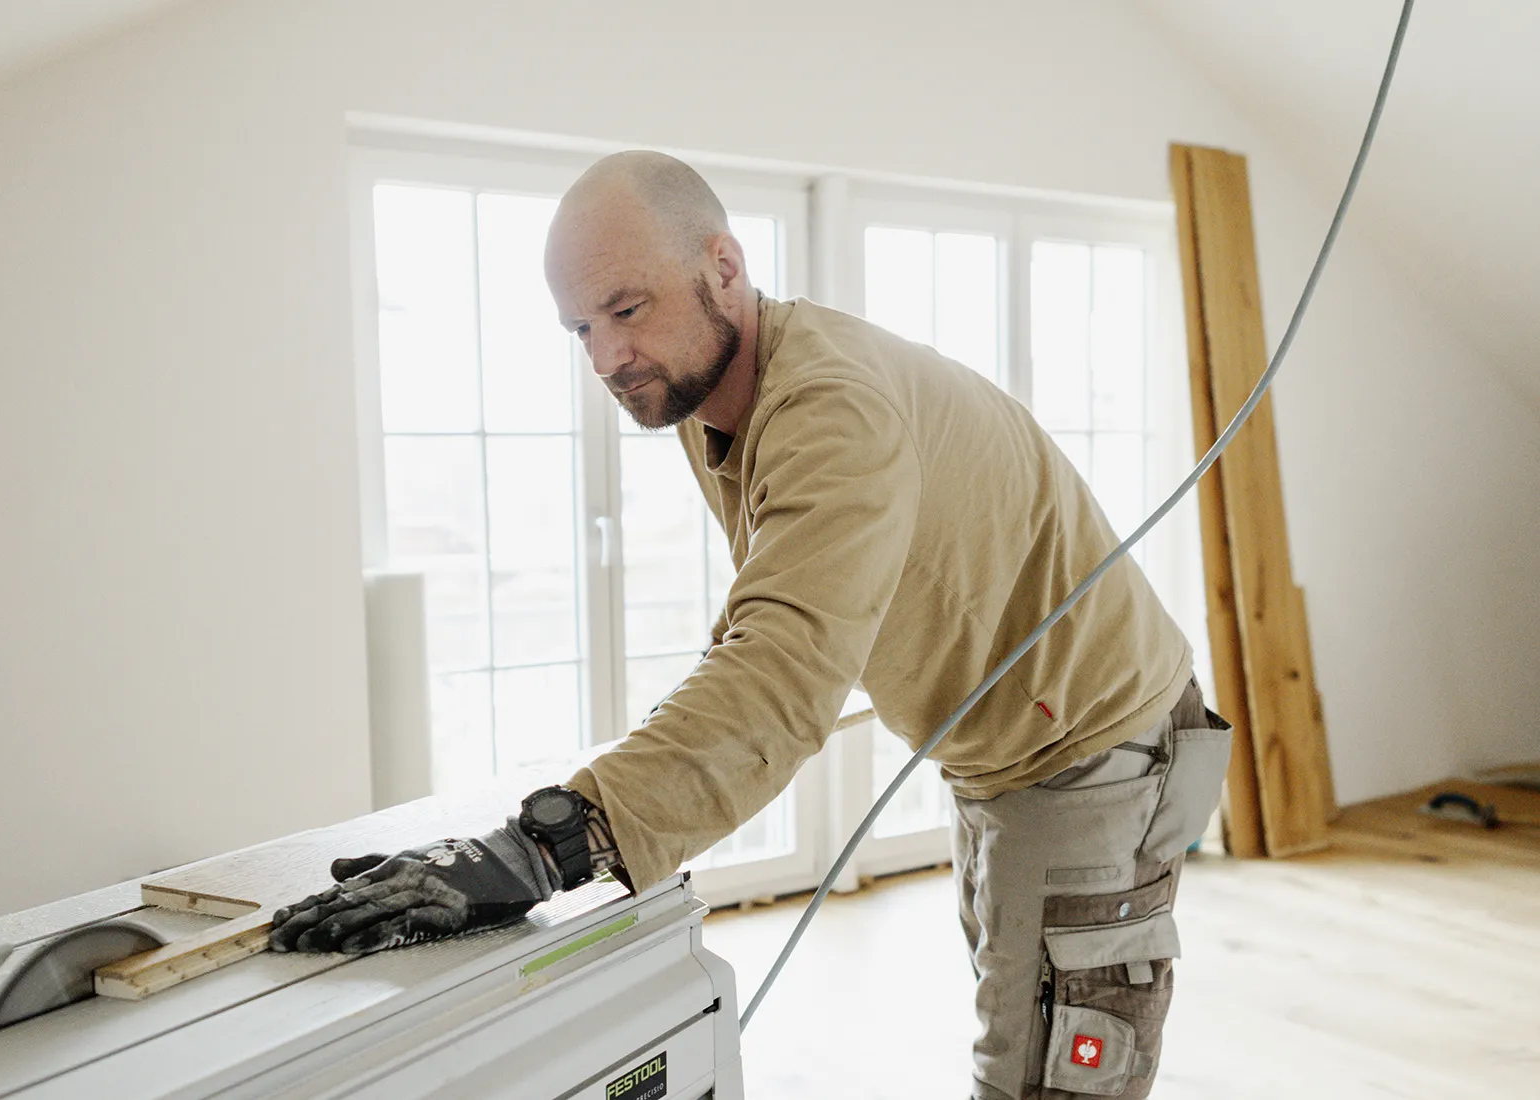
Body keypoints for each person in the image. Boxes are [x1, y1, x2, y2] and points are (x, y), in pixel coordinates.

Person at [269, 151, 1232, 1100]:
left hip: (1095, 751)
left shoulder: (832, 407)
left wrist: (546, 846)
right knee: (1016, 1030)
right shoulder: (714, 402)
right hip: (1004, 754)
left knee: (1048, 1079)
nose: (606, 358)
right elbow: (766, 622)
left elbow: (782, 671)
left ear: (723, 266)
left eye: (627, 309)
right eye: (581, 328)